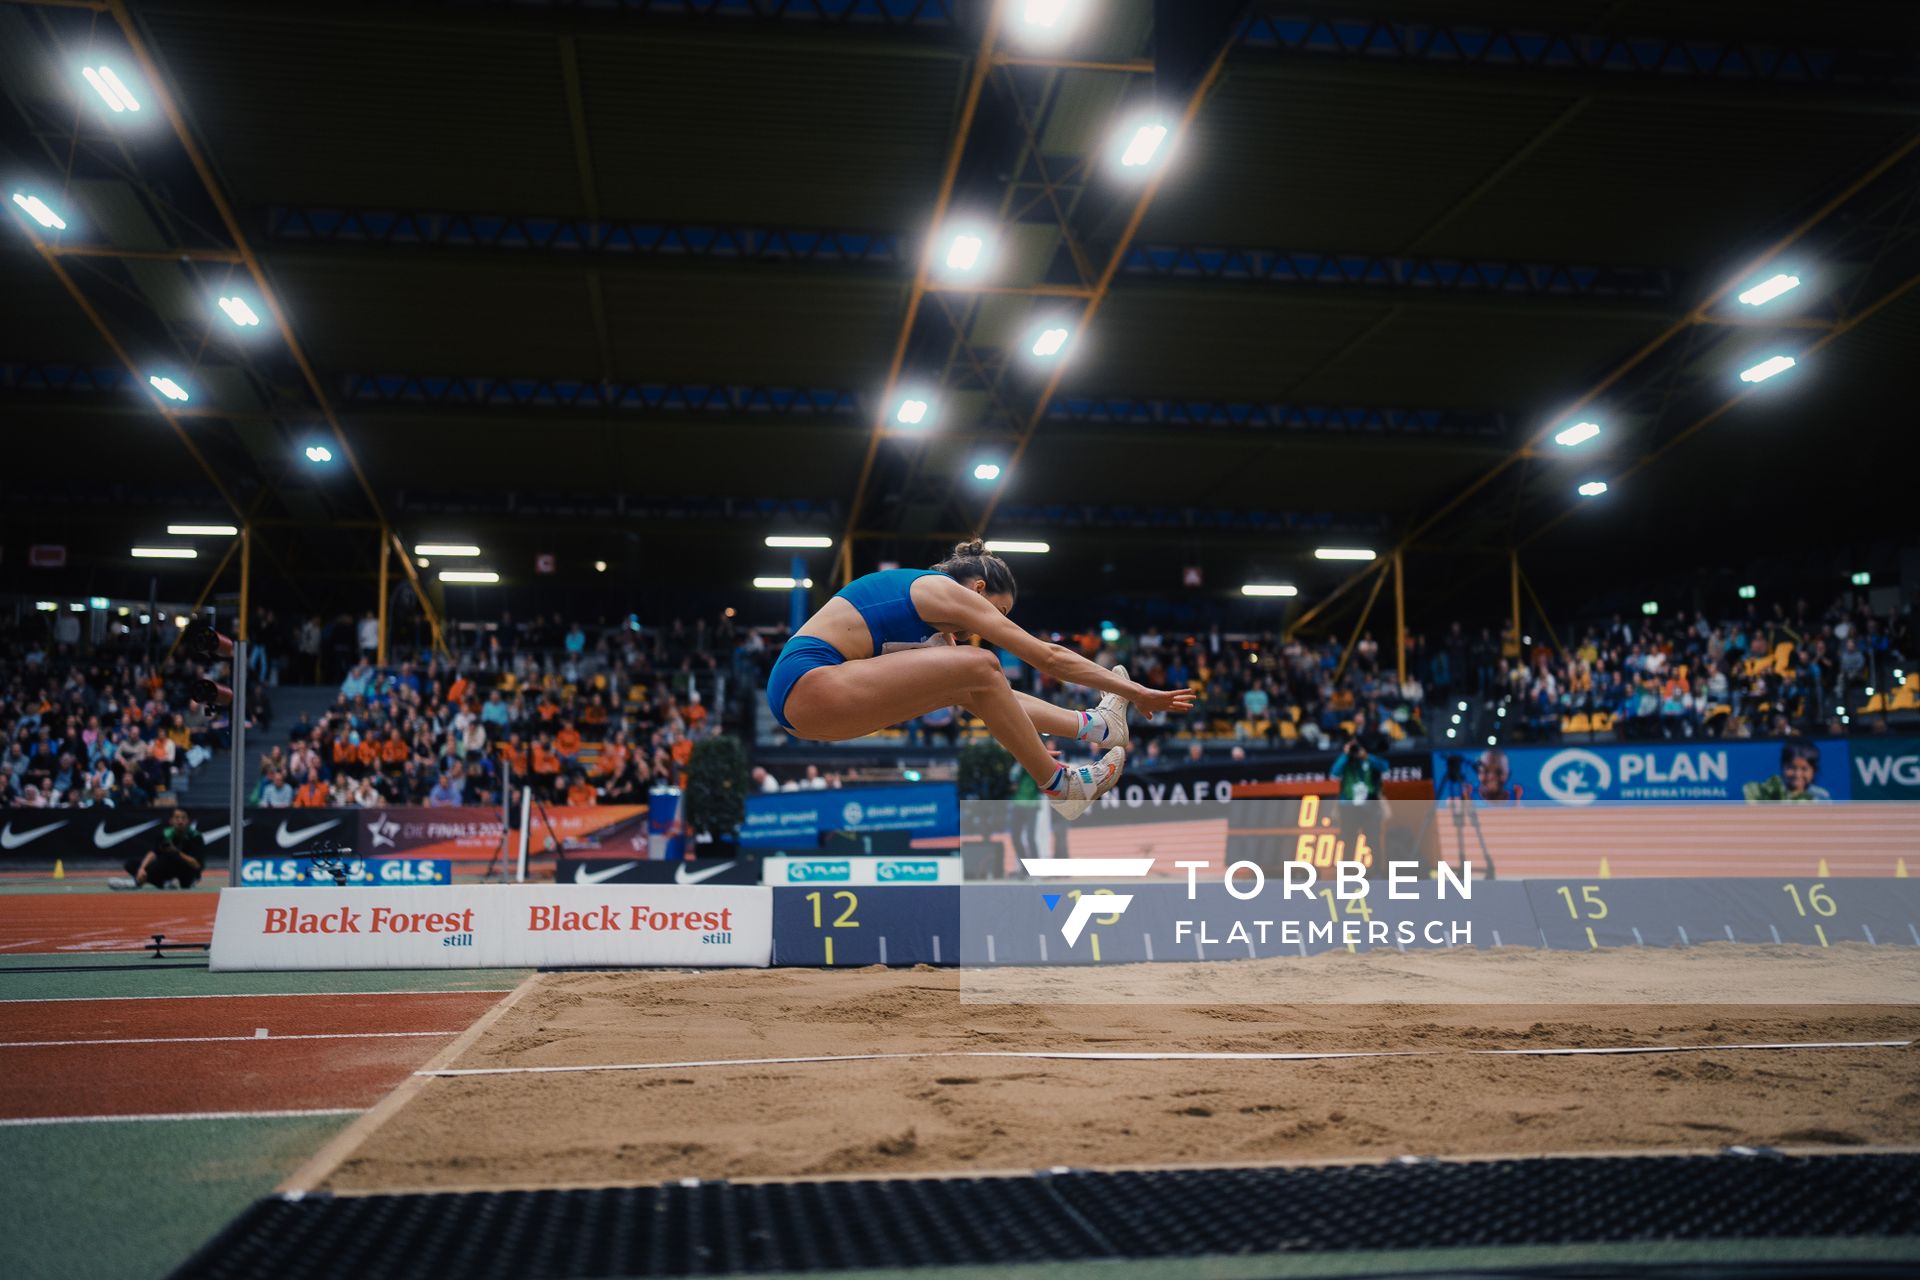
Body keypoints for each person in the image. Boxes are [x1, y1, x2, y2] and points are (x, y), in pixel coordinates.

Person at [766, 541, 1194, 818]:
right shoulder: (939, 590)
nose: (989, 623)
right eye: (998, 611)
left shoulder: (937, 639)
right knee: (982, 663)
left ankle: (1097, 725)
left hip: (814, 713)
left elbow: (994, 698)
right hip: (807, 685)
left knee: (979, 684)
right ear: (977, 587)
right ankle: (1063, 785)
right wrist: (1137, 692)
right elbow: (1048, 656)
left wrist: (1097, 724)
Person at [108, 810, 205, 890]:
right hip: (164, 870)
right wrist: (142, 869)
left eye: (183, 818)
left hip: (186, 872)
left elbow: (196, 865)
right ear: (171, 821)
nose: (180, 821)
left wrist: (176, 851)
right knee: (131, 864)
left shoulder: (196, 837)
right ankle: (162, 883)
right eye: (177, 818)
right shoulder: (166, 834)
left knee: (170, 856)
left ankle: (136, 883)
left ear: (188, 821)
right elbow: (154, 853)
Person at [1743, 739, 1831, 802]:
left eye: (1804, 769)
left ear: (1814, 770)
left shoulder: (1821, 796)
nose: (1797, 774)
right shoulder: (1770, 794)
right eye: (1792, 768)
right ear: (1782, 767)